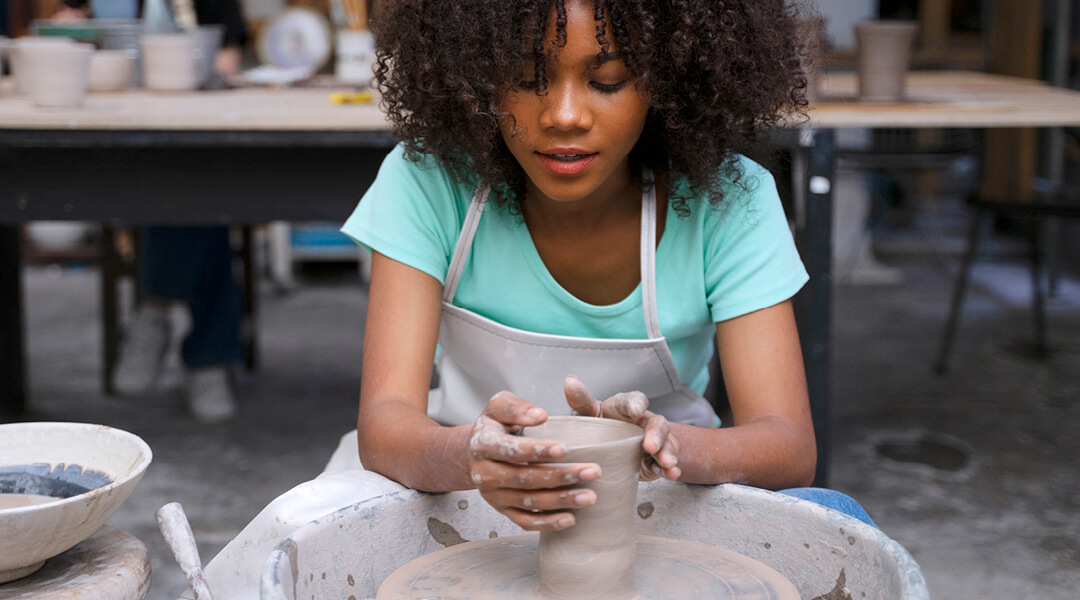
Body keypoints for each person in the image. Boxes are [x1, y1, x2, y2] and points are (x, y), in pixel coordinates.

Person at [204, 0, 875, 595]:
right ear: (474, 72)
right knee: (296, 549)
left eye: (608, 81)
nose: (564, 116)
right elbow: (387, 426)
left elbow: (788, 445)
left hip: (660, 495)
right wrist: (470, 456)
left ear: (669, 81)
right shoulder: (428, 182)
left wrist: (677, 449)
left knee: (842, 525)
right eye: (527, 79)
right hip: (454, 479)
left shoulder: (730, 200)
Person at [111, 0, 249, 423]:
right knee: (192, 194)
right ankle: (207, 358)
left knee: (193, 187)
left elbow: (229, 55)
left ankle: (153, 311)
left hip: (196, 124)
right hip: (119, 125)